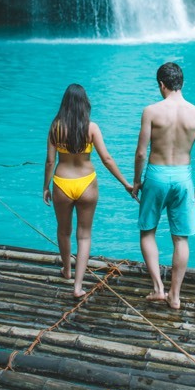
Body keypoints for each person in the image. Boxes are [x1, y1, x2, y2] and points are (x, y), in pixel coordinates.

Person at [43, 83, 133, 298]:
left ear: (65, 103)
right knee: (84, 236)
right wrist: (126, 183)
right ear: (85, 103)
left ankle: (67, 270)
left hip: (62, 183)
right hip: (87, 184)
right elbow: (107, 159)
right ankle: (78, 287)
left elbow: (49, 161)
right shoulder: (91, 128)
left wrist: (46, 187)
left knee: (63, 231)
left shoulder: (55, 127)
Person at [132, 62, 195, 309]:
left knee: (147, 231)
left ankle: (158, 288)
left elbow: (141, 153)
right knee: (181, 239)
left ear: (161, 85)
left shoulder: (151, 111)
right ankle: (175, 296)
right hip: (183, 178)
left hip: (156, 175)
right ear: (182, 83)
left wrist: (136, 180)